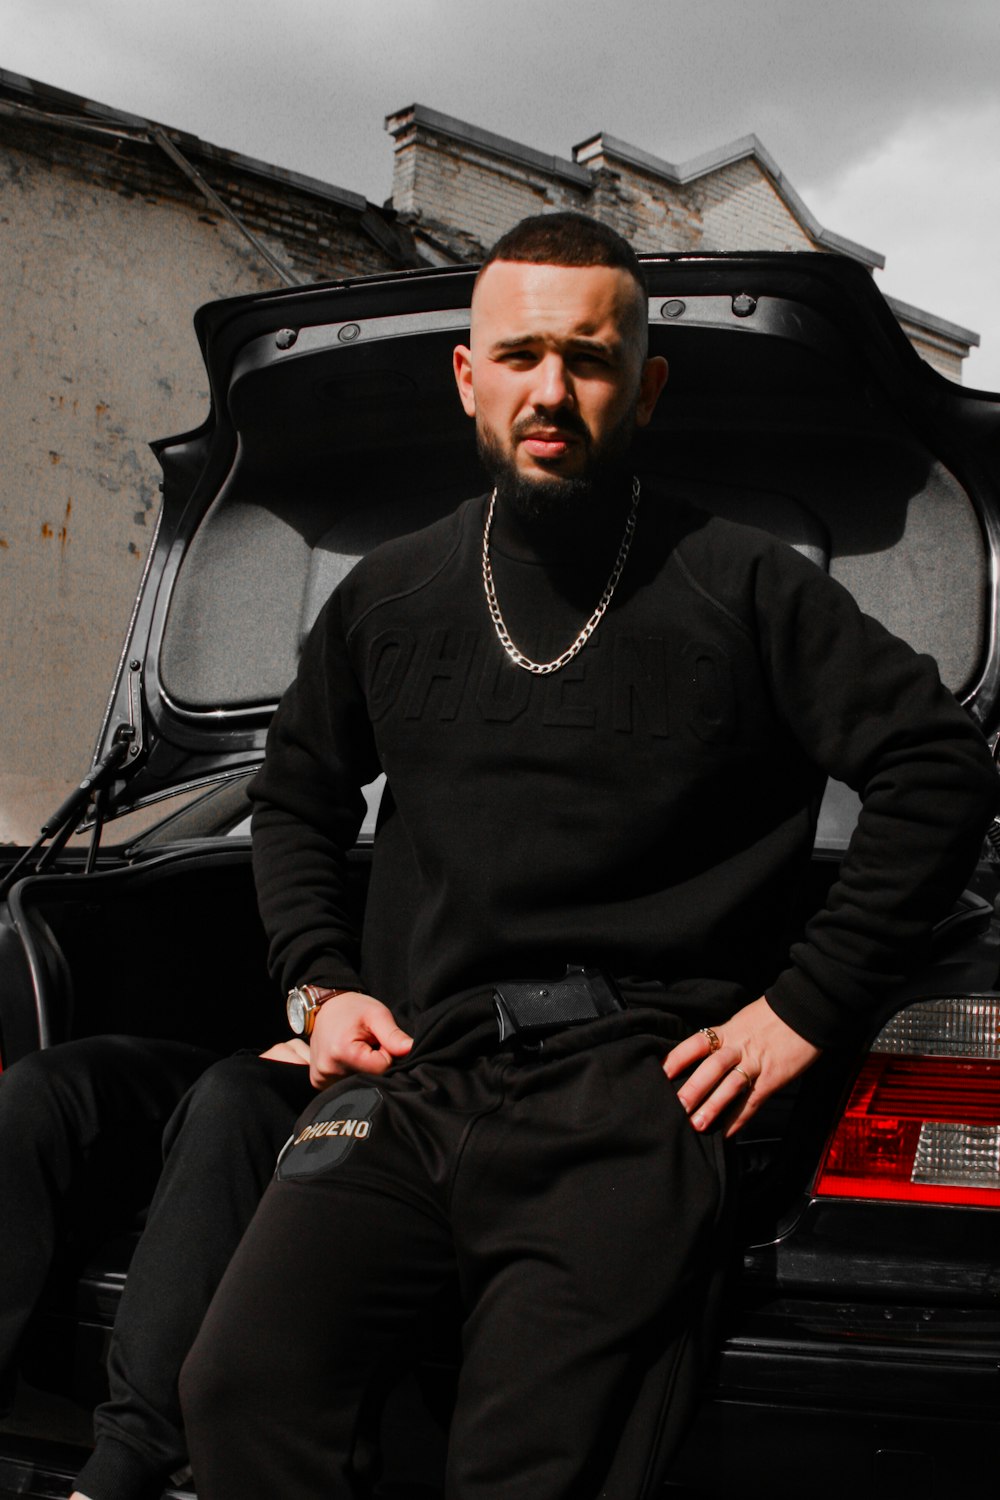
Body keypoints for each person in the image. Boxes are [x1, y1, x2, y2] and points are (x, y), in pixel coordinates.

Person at [175, 211, 997, 1499]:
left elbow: (938, 768)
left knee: (528, 1474)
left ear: (646, 385)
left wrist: (802, 1011)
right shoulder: (388, 595)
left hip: (635, 1096)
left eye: (589, 357)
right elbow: (294, 801)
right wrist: (319, 989)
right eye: (519, 354)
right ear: (467, 377)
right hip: (419, 1079)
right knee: (240, 1392)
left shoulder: (743, 585)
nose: (551, 388)